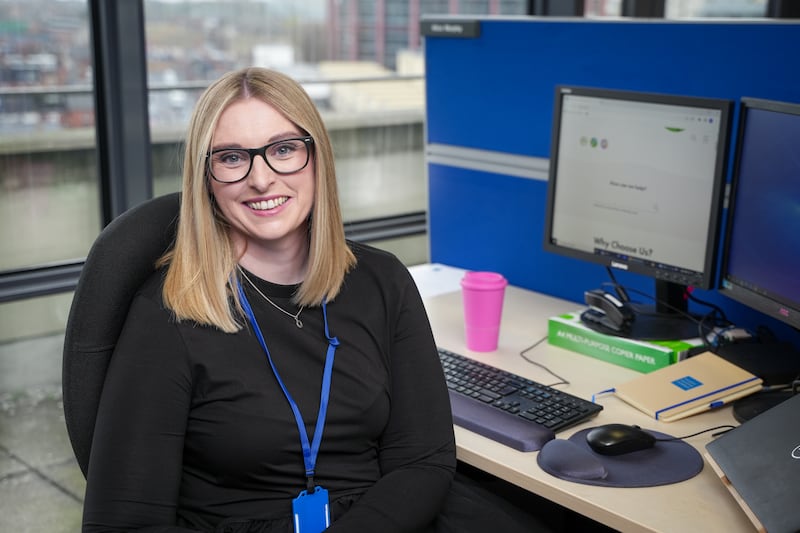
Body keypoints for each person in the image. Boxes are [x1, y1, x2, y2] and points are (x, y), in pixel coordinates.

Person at [82, 67, 546, 533]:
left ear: (316, 158)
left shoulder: (382, 281)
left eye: (283, 150)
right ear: (206, 177)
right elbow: (124, 521)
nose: (261, 179)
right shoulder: (169, 314)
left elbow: (423, 459)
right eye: (231, 157)